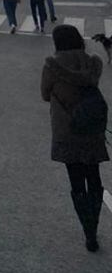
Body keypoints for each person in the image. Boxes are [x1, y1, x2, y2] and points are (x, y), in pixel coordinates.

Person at [40, 24, 108, 252]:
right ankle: (95, 222)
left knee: (76, 181)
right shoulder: (93, 63)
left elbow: (44, 94)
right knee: (94, 177)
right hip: (91, 127)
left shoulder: (52, 65)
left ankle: (88, 231)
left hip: (67, 129)